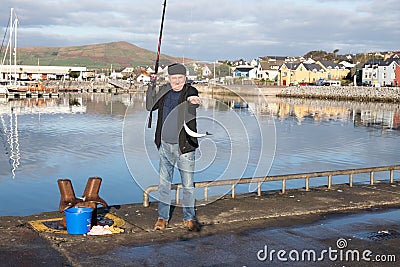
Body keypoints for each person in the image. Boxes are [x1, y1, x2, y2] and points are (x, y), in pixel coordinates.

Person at [146, 63, 201, 231]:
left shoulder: (189, 91)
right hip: (164, 145)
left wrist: (194, 100)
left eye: (180, 78)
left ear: (185, 78)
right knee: (164, 184)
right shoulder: (164, 92)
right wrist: (151, 86)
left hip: (184, 147)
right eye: (174, 78)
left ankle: (189, 218)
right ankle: (162, 218)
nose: (177, 81)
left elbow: (194, 98)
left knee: (188, 185)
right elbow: (150, 106)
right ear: (169, 79)